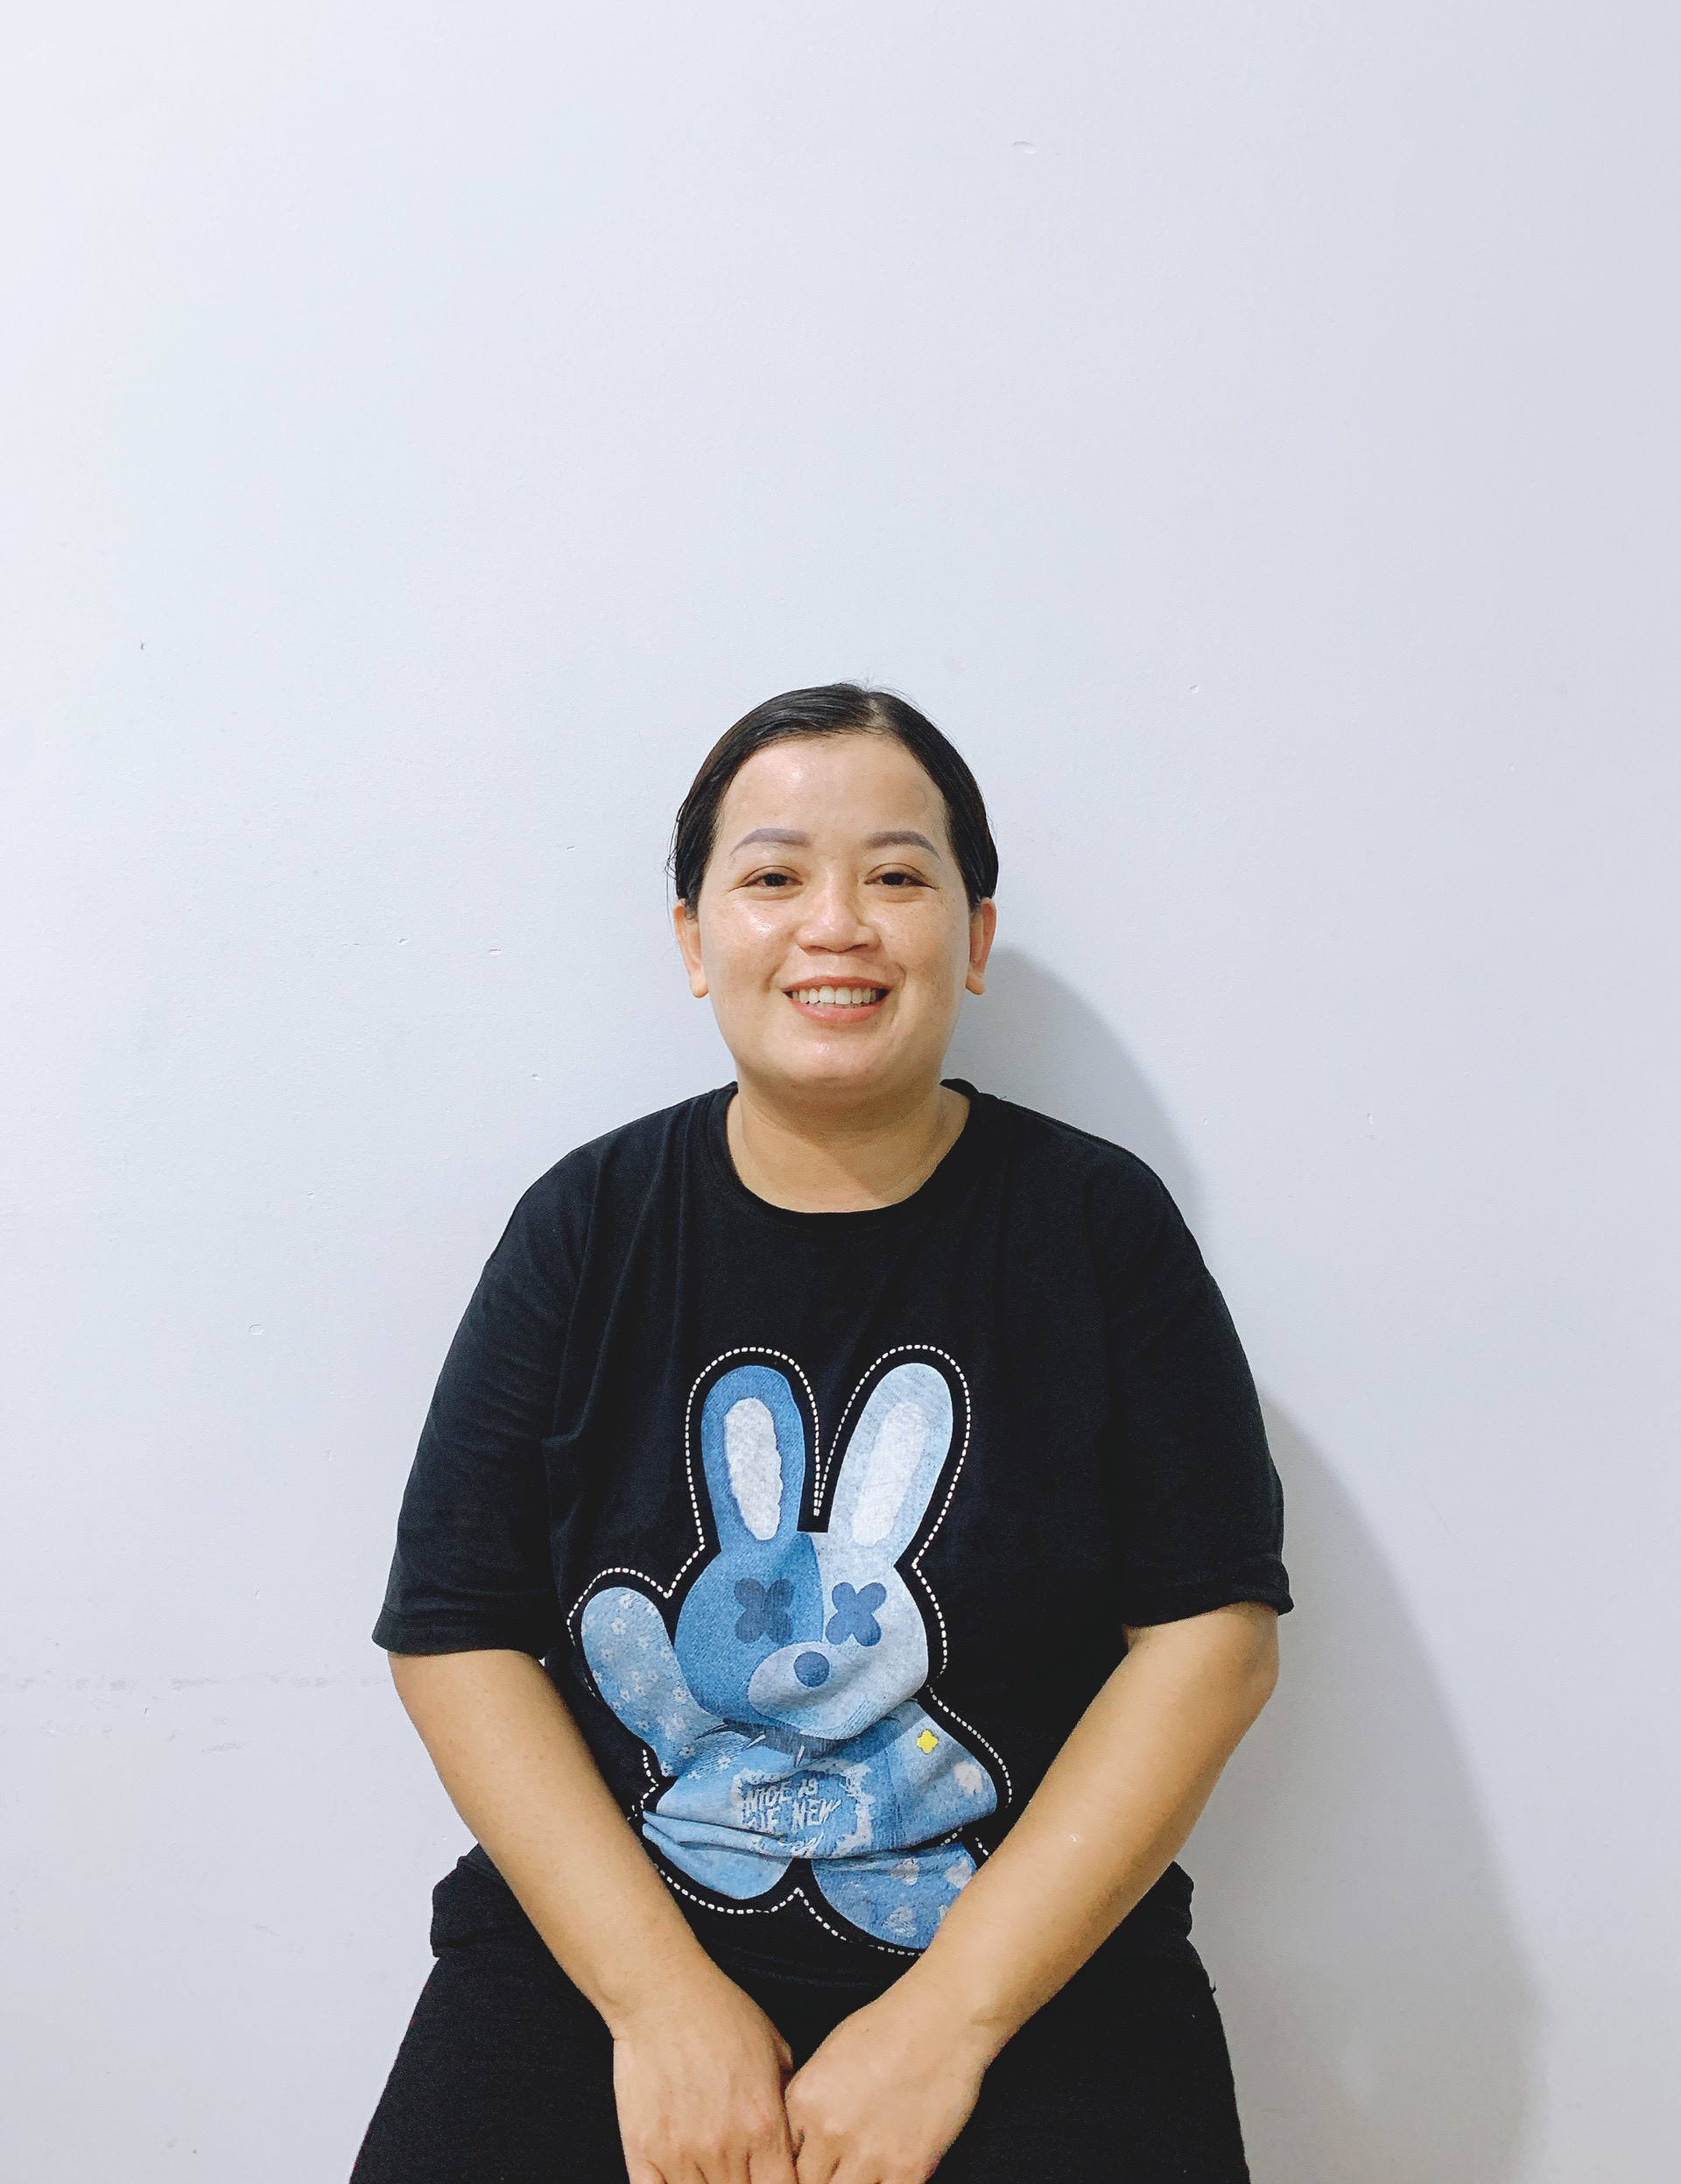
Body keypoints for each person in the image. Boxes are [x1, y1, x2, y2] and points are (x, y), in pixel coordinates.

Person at [352, 684, 1291, 2184]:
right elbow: (457, 1632)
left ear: (974, 937)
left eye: (898, 876)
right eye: (775, 876)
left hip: (1026, 1963)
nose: (836, 925)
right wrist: (660, 2008)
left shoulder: (1096, 1226)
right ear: (694, 939)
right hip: (611, 1946)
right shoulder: (587, 1226)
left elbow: (1210, 1642)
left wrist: (946, 2027)